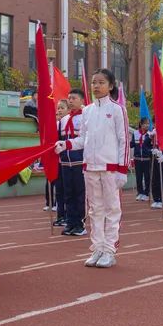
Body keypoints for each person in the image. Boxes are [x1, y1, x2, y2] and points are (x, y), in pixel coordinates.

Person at [55, 69, 129, 268]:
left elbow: (124, 140)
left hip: (110, 167)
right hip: (90, 167)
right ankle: (97, 248)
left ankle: (109, 249)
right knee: (95, 209)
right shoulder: (87, 110)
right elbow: (83, 139)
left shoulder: (117, 109)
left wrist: (122, 169)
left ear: (110, 86)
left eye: (101, 82)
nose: (96, 86)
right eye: (94, 82)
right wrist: (66, 144)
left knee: (112, 209)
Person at [58, 89, 88, 236]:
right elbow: (60, 140)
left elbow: (86, 140)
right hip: (65, 162)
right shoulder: (63, 120)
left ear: (82, 100)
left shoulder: (86, 117)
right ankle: (70, 222)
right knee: (68, 194)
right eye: (68, 98)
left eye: (73, 98)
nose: (70, 100)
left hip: (79, 161)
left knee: (79, 194)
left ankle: (80, 224)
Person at [46, 99, 69, 219]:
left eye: (62, 108)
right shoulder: (56, 124)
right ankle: (60, 215)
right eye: (58, 108)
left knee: (67, 190)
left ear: (68, 110)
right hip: (56, 161)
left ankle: (67, 216)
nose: (59, 110)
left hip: (67, 161)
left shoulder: (69, 123)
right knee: (58, 189)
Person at [131, 118, 155, 202]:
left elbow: (151, 146)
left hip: (146, 159)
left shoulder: (150, 134)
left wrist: (149, 151)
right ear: (141, 124)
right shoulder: (135, 133)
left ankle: (146, 193)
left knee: (147, 177)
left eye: (148, 124)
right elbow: (132, 144)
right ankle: (140, 192)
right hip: (137, 159)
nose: (147, 125)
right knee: (138, 177)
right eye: (145, 123)